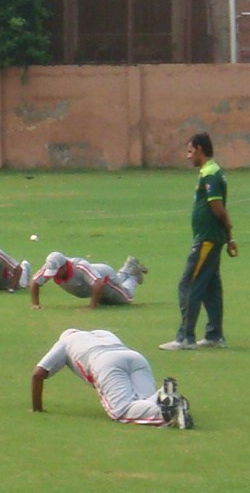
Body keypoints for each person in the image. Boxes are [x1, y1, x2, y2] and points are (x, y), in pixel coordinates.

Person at [160, 132, 236, 351]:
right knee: (211, 287)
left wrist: (229, 235)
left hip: (207, 240)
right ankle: (214, 335)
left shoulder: (211, 174)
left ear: (201, 149)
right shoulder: (209, 172)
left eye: (190, 151)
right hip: (211, 238)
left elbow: (218, 209)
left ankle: (185, 337)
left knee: (189, 284)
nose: (188, 156)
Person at [30, 328, 192, 429]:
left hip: (105, 362)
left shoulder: (65, 341)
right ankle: (164, 395)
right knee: (143, 399)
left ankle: (168, 414)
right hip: (135, 357)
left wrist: (37, 408)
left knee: (121, 410)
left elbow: (38, 374)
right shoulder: (102, 333)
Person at [27, 252, 145, 309]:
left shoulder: (79, 266)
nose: (53, 275)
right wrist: (35, 304)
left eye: (57, 271)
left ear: (63, 266)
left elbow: (98, 283)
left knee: (126, 298)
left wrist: (91, 306)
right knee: (105, 300)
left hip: (105, 279)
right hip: (93, 282)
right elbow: (35, 282)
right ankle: (129, 266)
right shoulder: (51, 266)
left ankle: (134, 275)